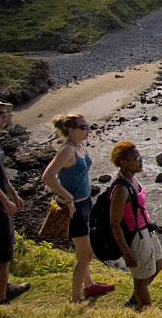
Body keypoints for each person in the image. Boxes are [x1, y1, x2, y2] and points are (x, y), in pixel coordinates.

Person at [41, 112, 114, 303]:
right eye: (83, 127)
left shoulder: (79, 146)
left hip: (84, 203)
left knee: (83, 251)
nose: (88, 130)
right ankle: (75, 298)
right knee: (86, 254)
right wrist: (67, 197)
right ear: (70, 130)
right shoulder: (66, 150)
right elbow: (47, 177)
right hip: (74, 208)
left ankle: (89, 286)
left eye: (88, 126)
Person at [108, 141, 162, 309]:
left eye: (141, 157)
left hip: (145, 230)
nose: (141, 161)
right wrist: (127, 253)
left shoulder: (132, 178)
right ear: (123, 162)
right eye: (136, 158)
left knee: (158, 264)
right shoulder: (121, 189)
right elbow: (115, 224)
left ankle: (135, 299)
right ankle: (145, 312)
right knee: (141, 279)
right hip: (135, 236)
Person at [0, 99, 30, 304]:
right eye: (0, 113)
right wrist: (5, 201)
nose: (5, 116)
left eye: (4, 113)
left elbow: (1, 174)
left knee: (5, 246)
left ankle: (4, 285)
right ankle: (1, 300)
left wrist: (13, 193)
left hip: (2, 202)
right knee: (2, 254)